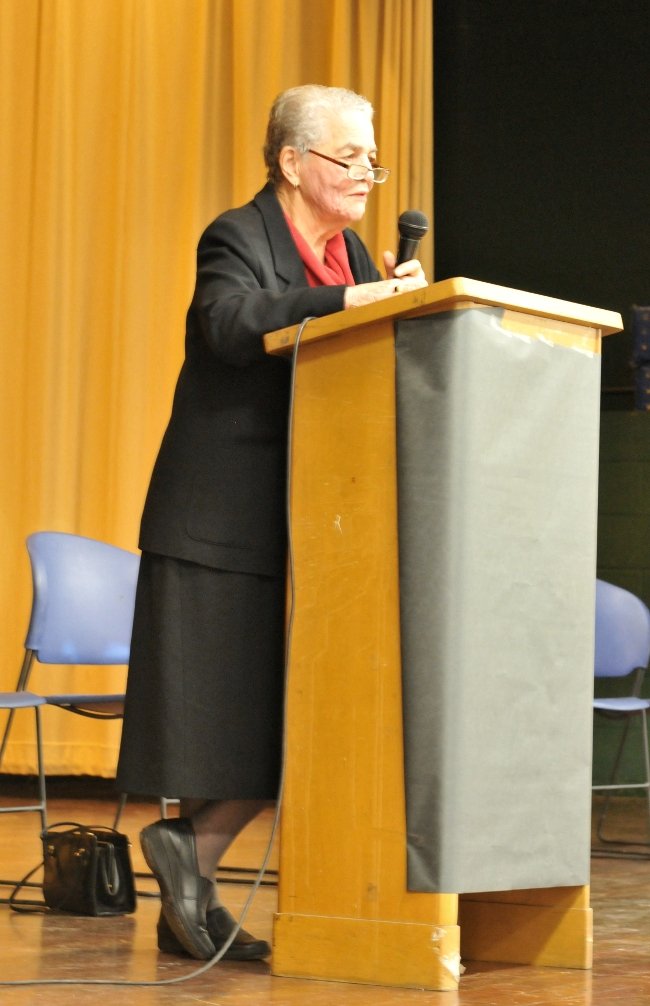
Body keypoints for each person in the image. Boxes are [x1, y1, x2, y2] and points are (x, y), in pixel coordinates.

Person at [116, 83, 427, 962]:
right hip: (219, 522)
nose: (367, 172)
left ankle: (192, 882)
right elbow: (227, 324)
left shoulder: (356, 254)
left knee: (290, 717)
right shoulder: (239, 235)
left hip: (312, 530)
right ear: (293, 163)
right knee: (231, 720)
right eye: (349, 156)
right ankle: (195, 882)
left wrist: (391, 304)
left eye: (373, 157)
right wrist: (348, 306)